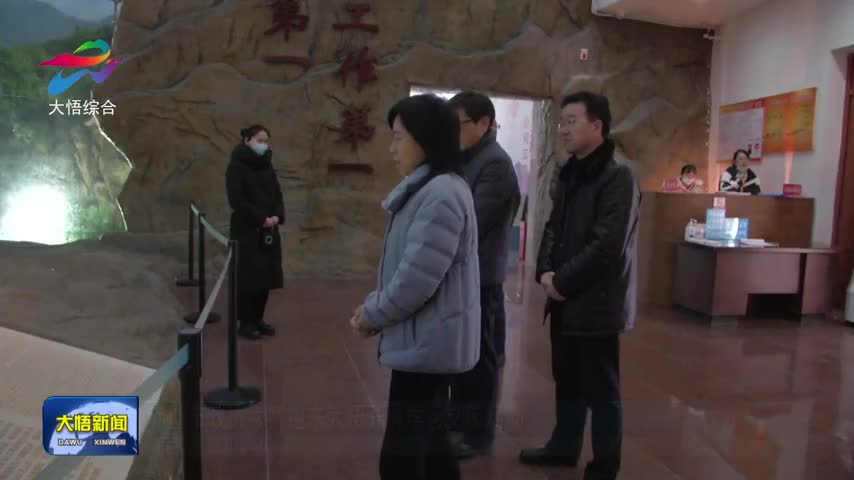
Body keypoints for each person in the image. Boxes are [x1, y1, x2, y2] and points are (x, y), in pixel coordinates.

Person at [349, 94, 481, 480]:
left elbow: (416, 280)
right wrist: (375, 307)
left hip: (428, 341)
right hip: (425, 338)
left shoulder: (440, 194)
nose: (391, 149)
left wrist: (373, 314)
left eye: (398, 137)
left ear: (425, 139)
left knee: (404, 454)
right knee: (431, 444)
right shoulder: (431, 188)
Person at [519, 92, 639, 480]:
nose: (563, 129)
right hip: (565, 297)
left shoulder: (618, 175)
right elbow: (553, 226)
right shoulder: (570, 171)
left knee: (602, 390)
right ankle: (563, 446)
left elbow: (608, 245)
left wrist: (563, 280)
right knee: (567, 378)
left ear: (597, 125)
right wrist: (545, 271)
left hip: (597, 301)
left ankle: (605, 465)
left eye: (572, 121)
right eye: (562, 122)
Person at [445, 91, 520, 459]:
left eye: (457, 124)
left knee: (482, 356)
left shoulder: (496, 164)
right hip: (463, 272)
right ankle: (460, 418)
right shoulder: (466, 158)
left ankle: (479, 433)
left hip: (482, 275)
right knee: (463, 353)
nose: (451, 132)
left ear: (484, 123)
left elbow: (472, 220)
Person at [225, 125, 285, 340]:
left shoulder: (267, 165)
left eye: (266, 141)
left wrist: (277, 215)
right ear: (247, 140)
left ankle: (258, 318)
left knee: (265, 277)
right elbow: (237, 200)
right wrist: (260, 218)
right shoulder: (236, 166)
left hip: (269, 231)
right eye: (259, 140)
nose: (263, 145)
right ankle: (246, 322)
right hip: (247, 230)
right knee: (248, 278)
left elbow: (277, 194)